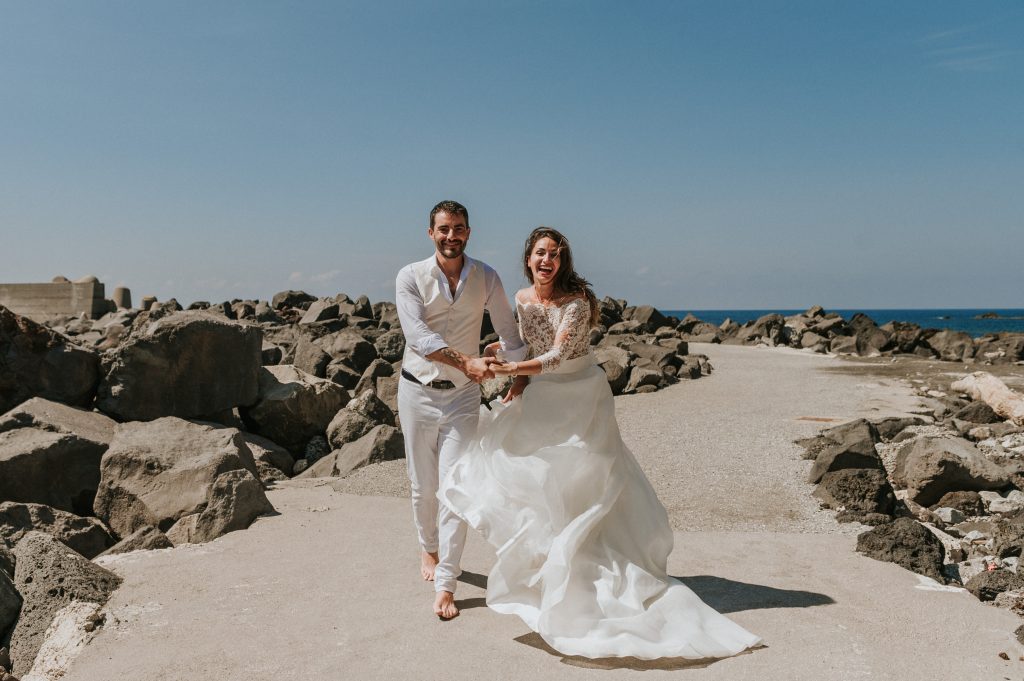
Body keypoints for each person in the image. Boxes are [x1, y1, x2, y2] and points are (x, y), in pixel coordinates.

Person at [440, 227, 761, 659]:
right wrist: (514, 374)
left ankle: (585, 572)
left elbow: (555, 355)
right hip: (541, 396)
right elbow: (530, 348)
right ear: (528, 259)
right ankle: (551, 571)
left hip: (579, 396)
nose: (546, 260)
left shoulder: (577, 303)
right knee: (529, 473)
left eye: (554, 254)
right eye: (540, 253)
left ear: (563, 261)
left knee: (585, 481)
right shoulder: (520, 298)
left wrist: (508, 369)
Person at [395, 200, 528, 620]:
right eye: (443, 229)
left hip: (463, 397)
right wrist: (467, 361)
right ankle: (428, 548)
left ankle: (447, 583)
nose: (451, 236)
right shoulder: (410, 276)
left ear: (468, 232)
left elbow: (508, 331)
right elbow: (416, 336)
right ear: (430, 233)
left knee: (455, 488)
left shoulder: (487, 276)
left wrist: (517, 372)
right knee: (422, 485)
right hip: (416, 391)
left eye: (458, 228)